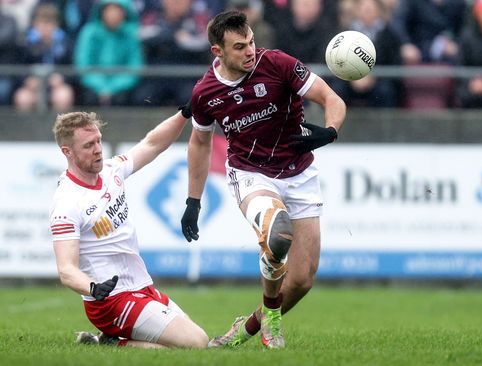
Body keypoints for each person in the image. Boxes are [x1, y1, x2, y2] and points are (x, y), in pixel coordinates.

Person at [180, 11, 346, 349]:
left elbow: (332, 99)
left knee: (301, 280)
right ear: (218, 52)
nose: (250, 51)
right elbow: (199, 142)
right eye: (239, 47)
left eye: (252, 42)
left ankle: (251, 325)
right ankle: (273, 324)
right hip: (250, 173)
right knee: (278, 232)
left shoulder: (278, 64)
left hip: (299, 172)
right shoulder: (205, 92)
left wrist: (328, 133)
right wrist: (193, 201)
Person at [49, 106, 209, 349]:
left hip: (141, 287)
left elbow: (152, 144)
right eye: (88, 145)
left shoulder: (112, 170)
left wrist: (185, 113)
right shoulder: (67, 202)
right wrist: (92, 287)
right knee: (197, 344)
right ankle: (113, 345)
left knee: (196, 343)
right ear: (67, 152)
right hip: (110, 301)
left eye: (98, 141)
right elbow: (66, 270)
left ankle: (113, 341)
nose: (98, 150)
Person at [74, 0, 143, 106]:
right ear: (102, 12)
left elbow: (135, 66)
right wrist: (101, 87)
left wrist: (113, 88)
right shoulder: (89, 33)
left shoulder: (132, 34)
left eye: (117, 10)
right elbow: (83, 64)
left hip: (122, 88)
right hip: (93, 87)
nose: (113, 14)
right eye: (109, 10)